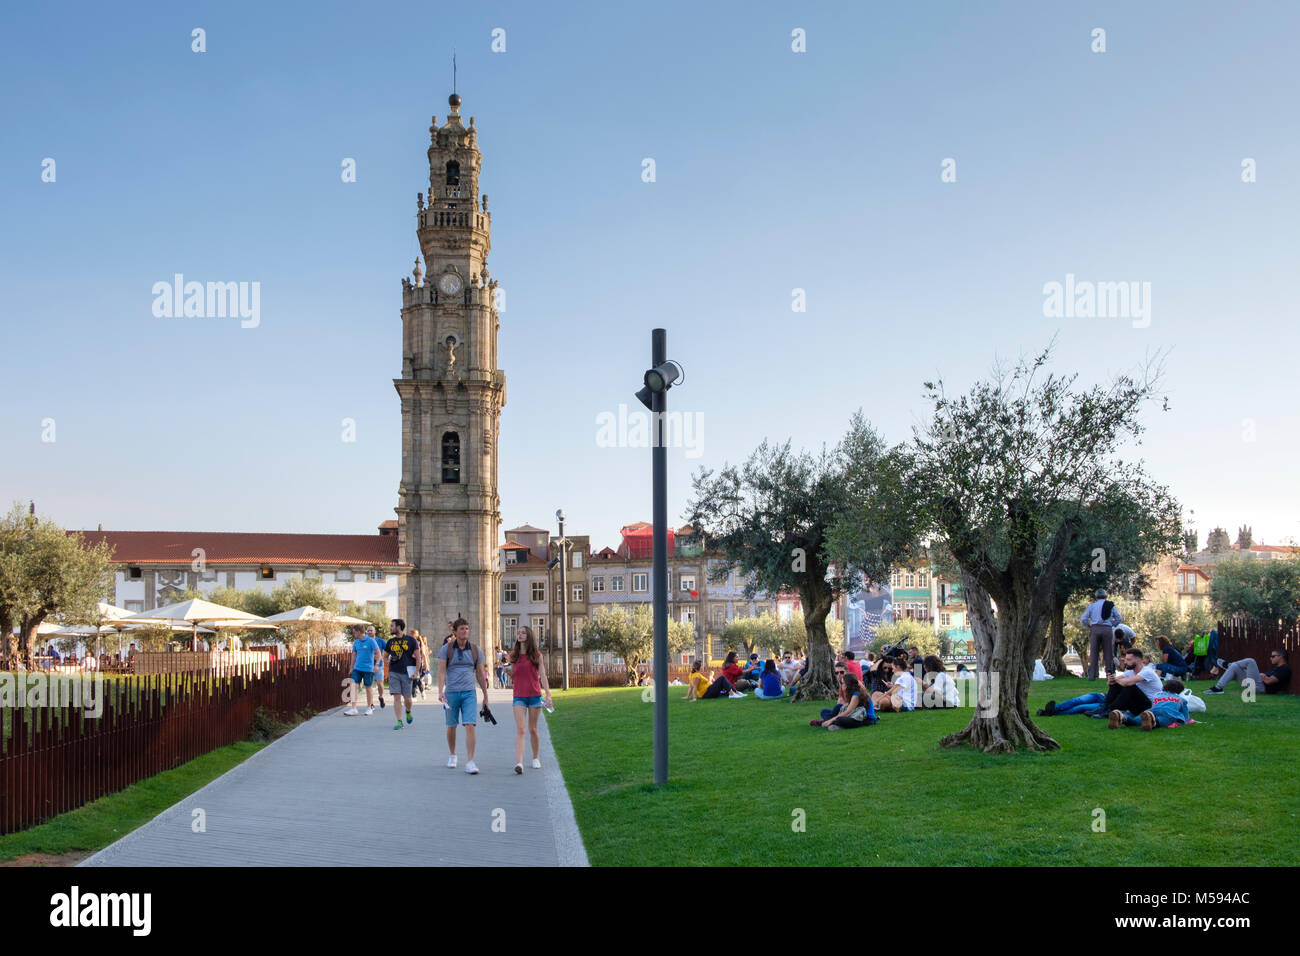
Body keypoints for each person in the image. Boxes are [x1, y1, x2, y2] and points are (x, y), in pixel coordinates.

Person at [437, 618, 492, 773]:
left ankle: (470, 761)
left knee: (470, 725)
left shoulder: (475, 650)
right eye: (461, 629)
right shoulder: (446, 649)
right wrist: (440, 691)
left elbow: (480, 674)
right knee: (451, 725)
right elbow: (441, 672)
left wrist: (485, 695)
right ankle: (453, 755)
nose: (465, 631)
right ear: (454, 632)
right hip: (452, 693)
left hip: (469, 693)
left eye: (467, 628)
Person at [507, 626, 552, 773]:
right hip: (519, 696)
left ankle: (535, 757)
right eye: (518, 633)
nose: (519, 635)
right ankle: (519, 763)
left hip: (534, 695)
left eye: (523, 632)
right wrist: (506, 671)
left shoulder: (536, 655)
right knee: (521, 729)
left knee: (533, 729)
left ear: (529, 636)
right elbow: (514, 675)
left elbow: (543, 675)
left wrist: (548, 695)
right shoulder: (513, 655)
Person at [1110, 678, 1192, 731]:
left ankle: (1122, 717)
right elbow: (1186, 716)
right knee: (1161, 721)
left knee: (1134, 721)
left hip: (1152, 711)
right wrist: (1185, 720)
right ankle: (1153, 721)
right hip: (1168, 714)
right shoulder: (1181, 699)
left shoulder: (1158, 695)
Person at [1205, 649, 1290, 696]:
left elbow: (1269, 681)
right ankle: (1218, 688)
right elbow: (1265, 677)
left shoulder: (1284, 668)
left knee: (1250, 661)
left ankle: (1229, 665)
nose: (1271, 658)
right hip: (1257, 685)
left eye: (1273, 656)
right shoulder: (1275, 667)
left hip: (1262, 688)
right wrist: (1262, 675)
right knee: (1235, 667)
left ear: (1281, 657)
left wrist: (1263, 676)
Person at [384, 619, 419, 730]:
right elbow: (384, 657)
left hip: (407, 673)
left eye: (392, 626)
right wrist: (388, 660)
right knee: (396, 697)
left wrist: (416, 672)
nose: (390, 628)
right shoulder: (390, 642)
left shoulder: (411, 640)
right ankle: (399, 721)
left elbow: (418, 657)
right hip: (393, 672)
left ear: (398, 627)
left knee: (407, 699)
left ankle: (408, 711)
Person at [1081, 588, 1122, 680]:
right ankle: (1109, 675)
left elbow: (1083, 619)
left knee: (1094, 653)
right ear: (1106, 596)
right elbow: (1119, 618)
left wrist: (1090, 625)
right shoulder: (1110, 606)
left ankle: (1092, 676)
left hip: (1095, 629)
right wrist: (1112, 624)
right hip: (1107, 629)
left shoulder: (1092, 606)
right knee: (1108, 653)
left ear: (1096, 597)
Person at [344, 624, 380, 716]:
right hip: (357, 668)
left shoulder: (371, 641)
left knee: (368, 688)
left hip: (368, 669)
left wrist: (376, 665)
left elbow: (378, 653)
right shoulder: (356, 642)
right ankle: (353, 708)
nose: (353, 634)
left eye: (354, 632)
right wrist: (351, 667)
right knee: (353, 686)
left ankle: (369, 708)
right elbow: (354, 655)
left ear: (359, 632)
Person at [365, 625, 386, 709]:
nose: (370, 632)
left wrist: (382, 657)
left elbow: (388, 650)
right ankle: (371, 704)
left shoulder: (380, 641)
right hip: (368, 666)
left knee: (379, 683)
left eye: (371, 630)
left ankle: (380, 696)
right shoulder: (364, 641)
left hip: (379, 665)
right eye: (368, 630)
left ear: (375, 632)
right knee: (368, 685)